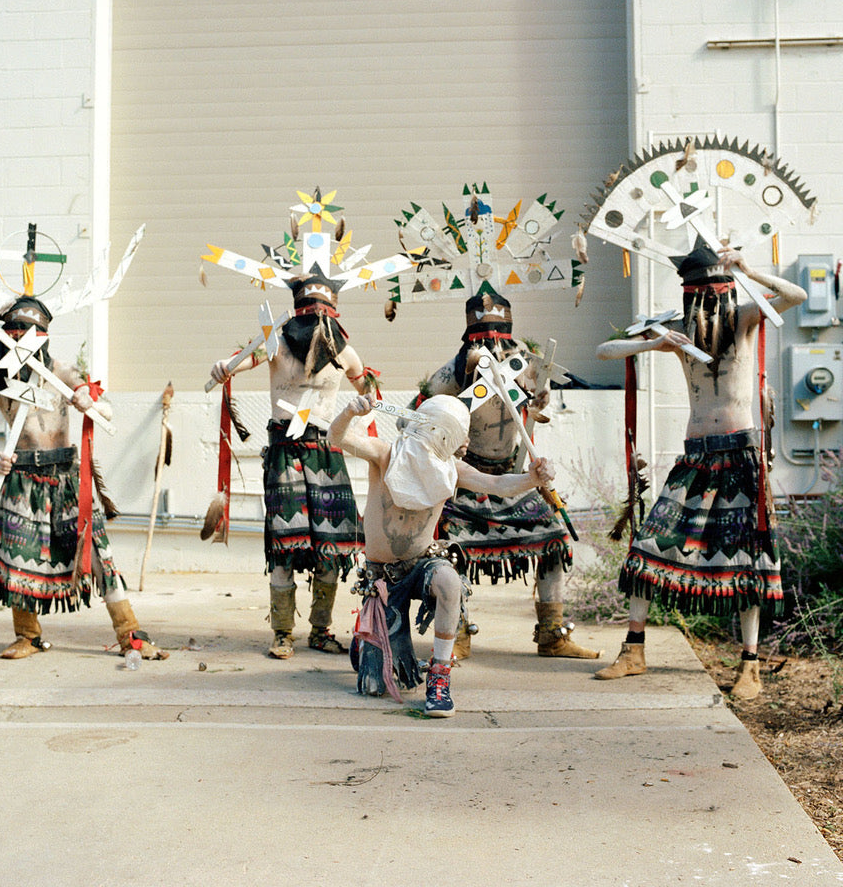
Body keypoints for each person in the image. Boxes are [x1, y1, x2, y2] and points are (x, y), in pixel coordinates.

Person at [594, 242, 807, 699]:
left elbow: (796, 298)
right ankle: (634, 650)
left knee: (746, 558)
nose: (705, 305)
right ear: (687, 296)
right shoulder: (678, 331)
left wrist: (749, 269)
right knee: (648, 546)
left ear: (727, 292)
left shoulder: (745, 318)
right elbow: (605, 350)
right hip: (695, 456)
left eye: (713, 293)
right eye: (697, 295)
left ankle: (749, 665)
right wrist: (656, 341)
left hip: (740, 454)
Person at [327, 392, 555, 717]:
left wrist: (533, 478)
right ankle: (368, 643)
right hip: (382, 579)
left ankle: (440, 675)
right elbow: (337, 437)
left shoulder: (452, 468)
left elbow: (499, 484)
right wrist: (349, 412)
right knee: (374, 686)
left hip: (421, 563)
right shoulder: (386, 453)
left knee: (449, 581)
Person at [0, 295, 168, 661]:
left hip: (64, 477)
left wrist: (88, 403)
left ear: (43, 338)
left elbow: (103, 407)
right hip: (22, 480)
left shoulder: (62, 372)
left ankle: (130, 634)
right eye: (16, 335)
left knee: (97, 553)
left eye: (31, 336)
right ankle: (27, 635)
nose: (22, 343)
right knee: (20, 558)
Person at [416, 289, 599, 661]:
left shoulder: (525, 362)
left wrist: (540, 398)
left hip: (514, 474)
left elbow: (540, 394)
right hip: (467, 479)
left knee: (553, 540)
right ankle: (458, 631)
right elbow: (420, 409)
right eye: (484, 337)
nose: (493, 346)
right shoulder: (456, 369)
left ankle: (551, 633)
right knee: (451, 550)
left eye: (500, 337)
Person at [210, 268, 372, 659]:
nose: (316, 320)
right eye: (308, 311)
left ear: (335, 312)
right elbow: (238, 362)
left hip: (326, 450)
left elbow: (367, 387)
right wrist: (224, 366)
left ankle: (321, 629)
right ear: (296, 310)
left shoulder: (345, 352)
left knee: (333, 545)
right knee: (285, 544)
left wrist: (369, 400)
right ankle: (282, 633)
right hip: (285, 448)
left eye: (324, 312)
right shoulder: (275, 343)